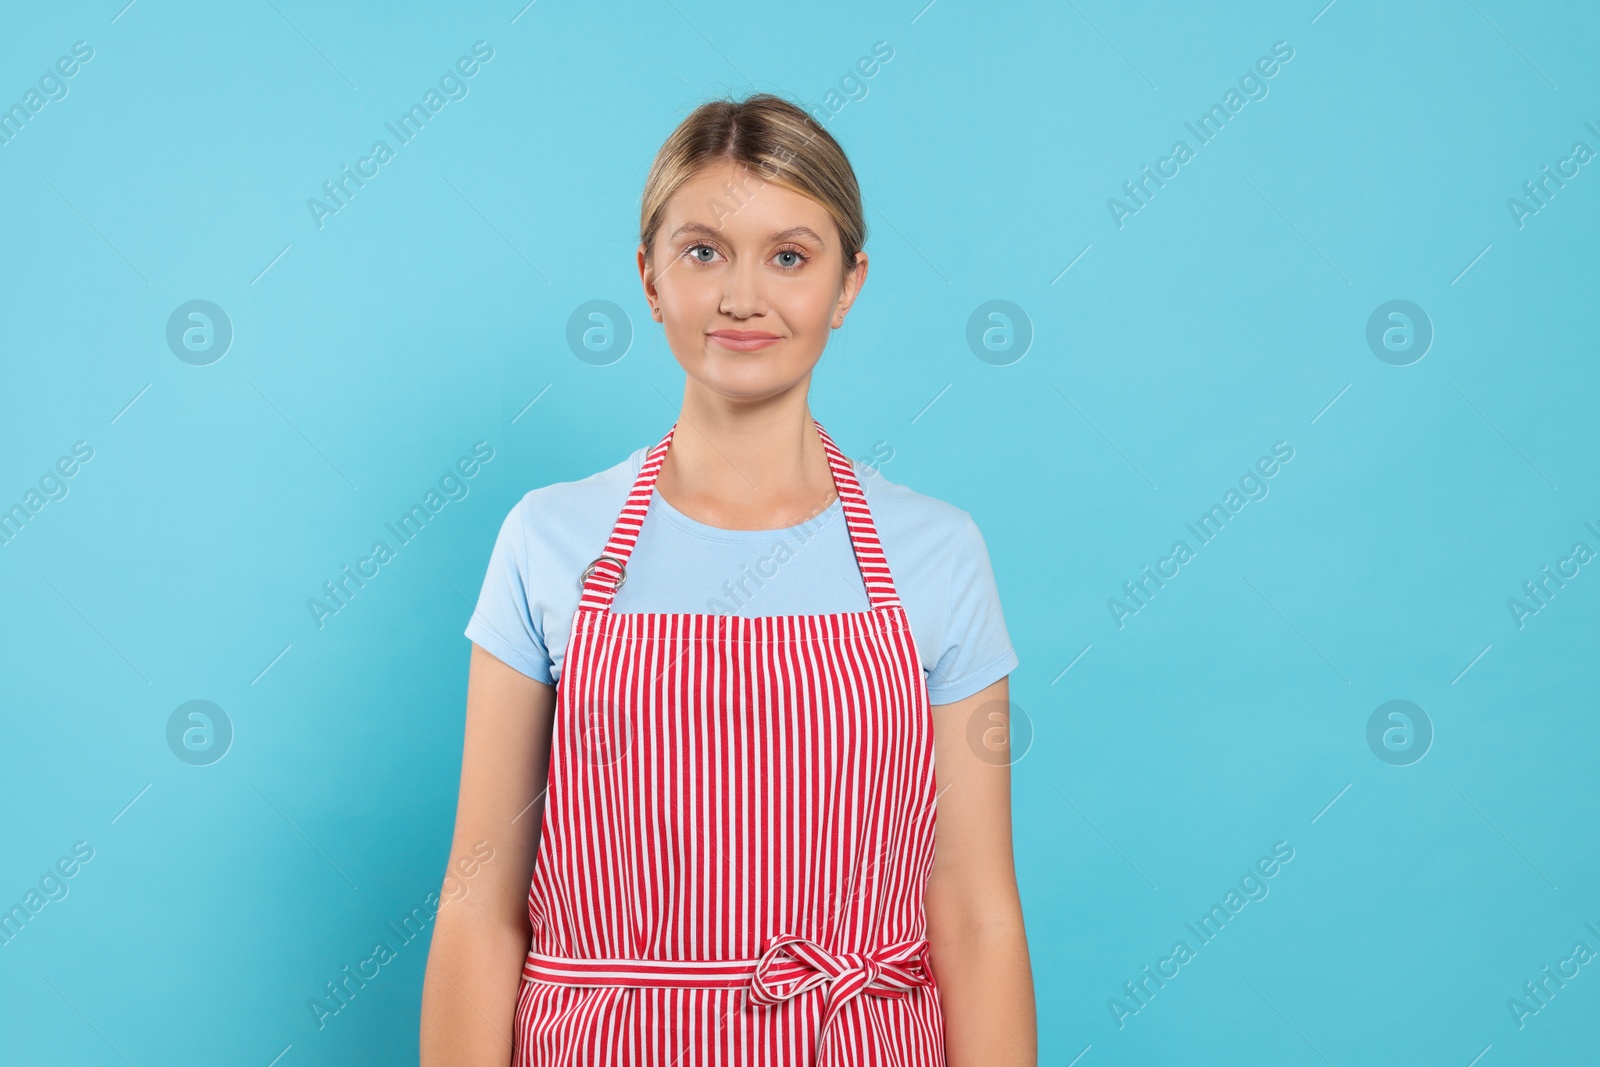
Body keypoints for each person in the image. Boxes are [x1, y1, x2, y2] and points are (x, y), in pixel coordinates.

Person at [420, 92, 1036, 1066]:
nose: (742, 295)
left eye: (789, 255)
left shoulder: (937, 553)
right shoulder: (549, 539)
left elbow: (973, 914)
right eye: (703, 250)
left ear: (847, 284)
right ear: (649, 276)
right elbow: (479, 902)